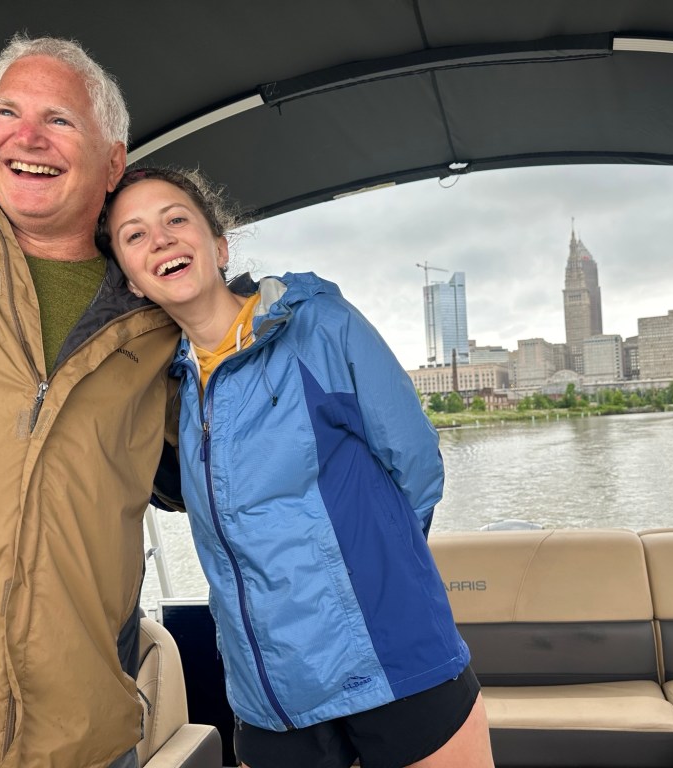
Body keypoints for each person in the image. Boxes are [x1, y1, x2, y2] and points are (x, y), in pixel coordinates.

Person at [96, 166, 496, 768]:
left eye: (176, 219)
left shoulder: (321, 326)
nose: (161, 239)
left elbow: (415, 466)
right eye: (135, 234)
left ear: (219, 246)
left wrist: (379, 578)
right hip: (270, 695)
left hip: (392, 660)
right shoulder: (161, 390)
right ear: (131, 280)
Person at [0, 36, 180, 768]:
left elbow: (242, 467)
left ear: (112, 162)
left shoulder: (162, 322)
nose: (26, 137)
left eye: (59, 119)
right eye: (7, 111)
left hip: (84, 741)